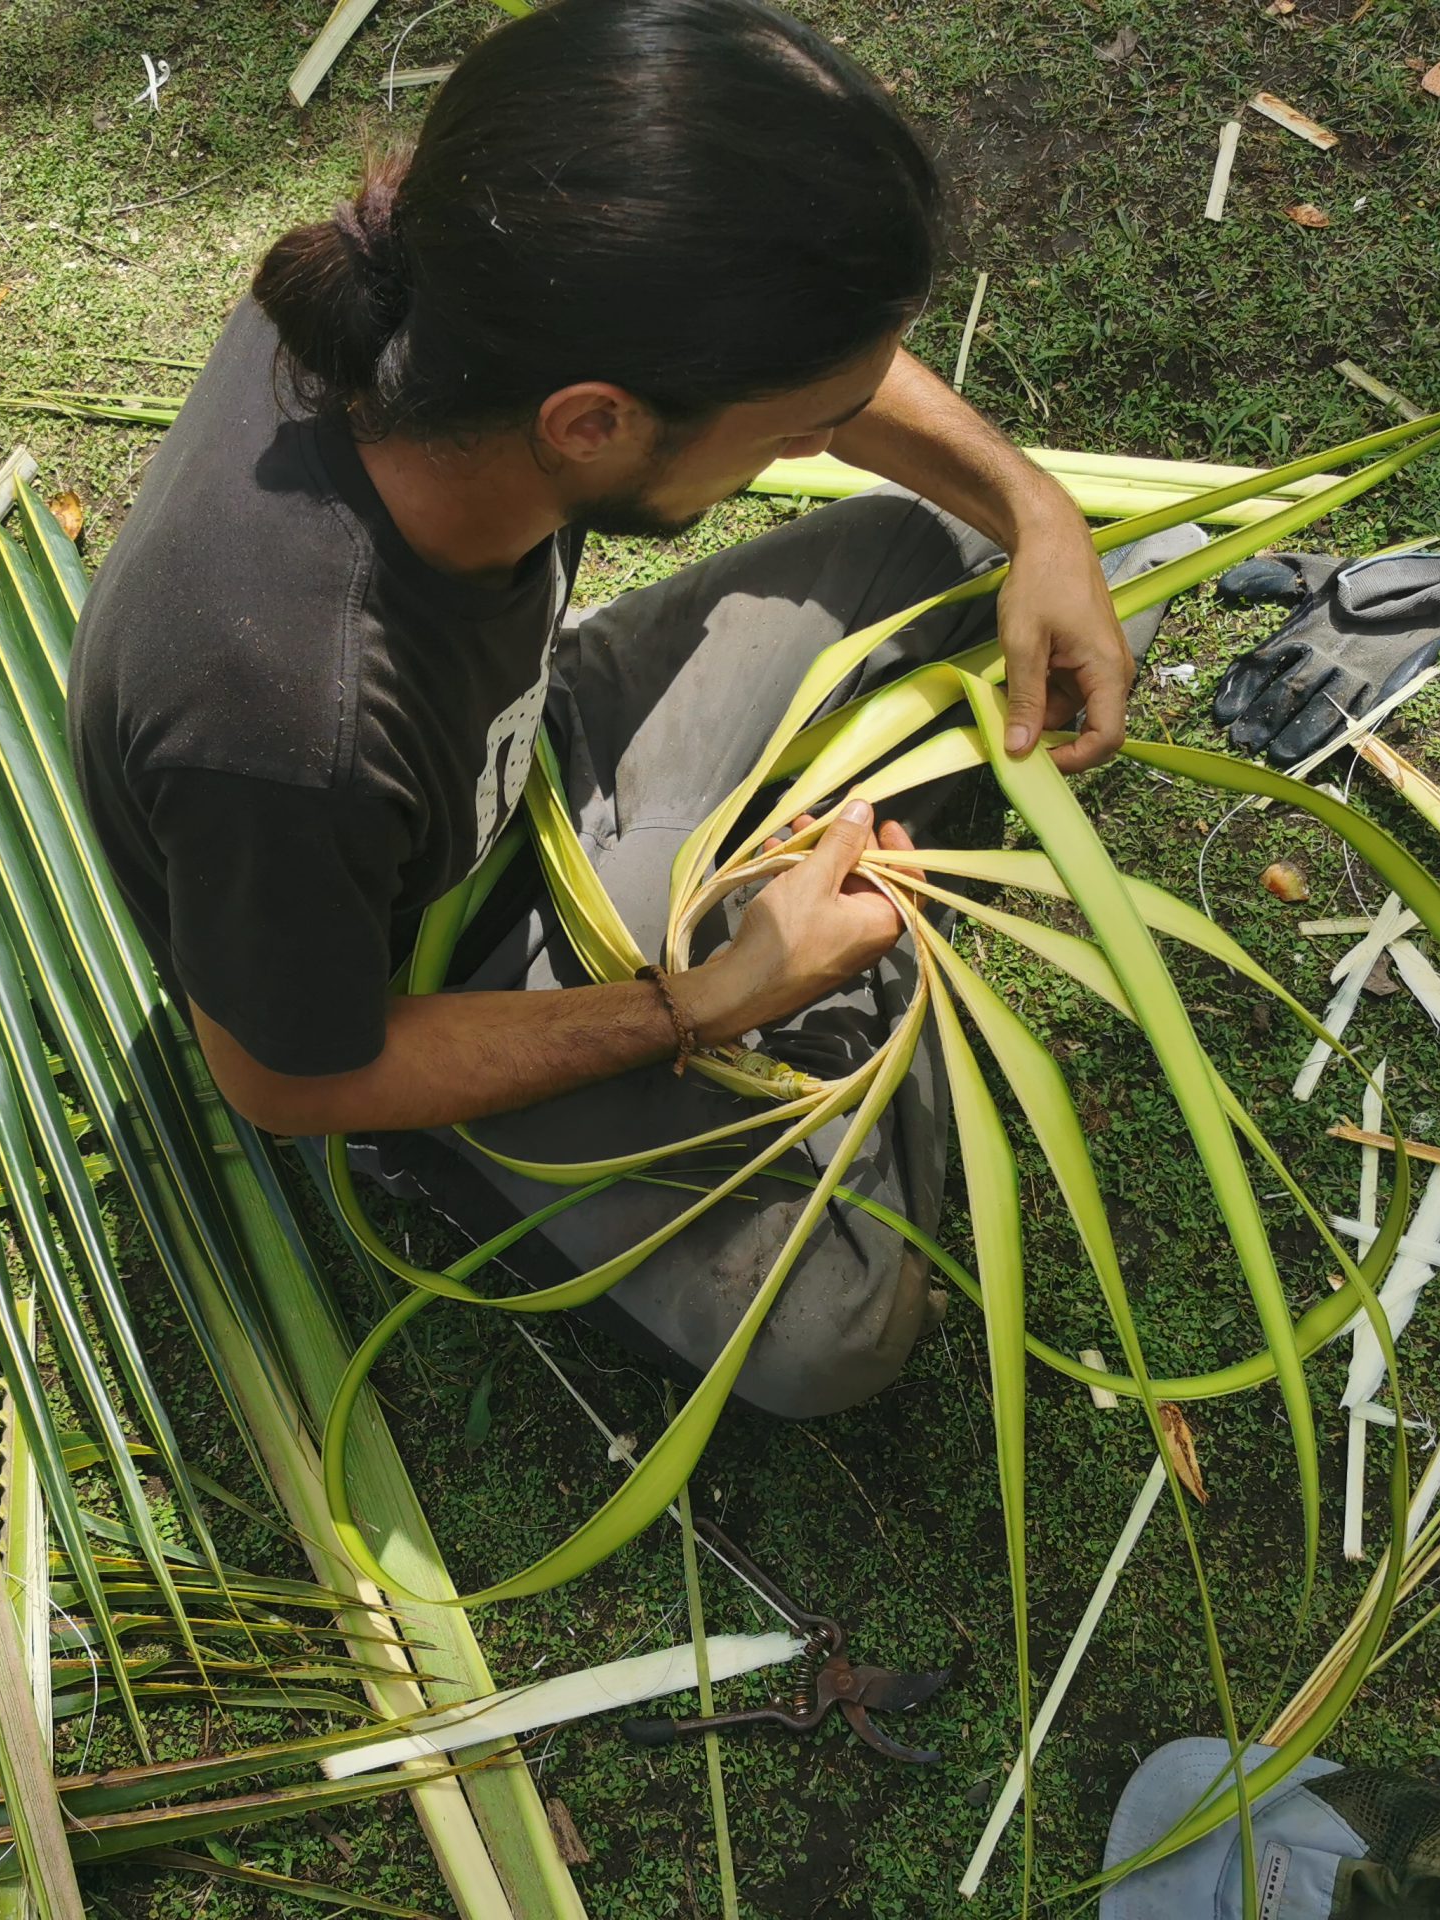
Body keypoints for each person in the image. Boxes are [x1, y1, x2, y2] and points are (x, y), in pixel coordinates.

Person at [68, 0, 1189, 1417]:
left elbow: (817, 372)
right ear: (593, 423)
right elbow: (286, 1082)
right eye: (795, 429)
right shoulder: (290, 730)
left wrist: (1036, 511)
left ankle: (787, 922)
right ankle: (778, 979)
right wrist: (714, 1000)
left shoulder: (453, 257)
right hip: (439, 976)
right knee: (829, 1333)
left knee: (1017, 562)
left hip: (532, 742)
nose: (821, 444)